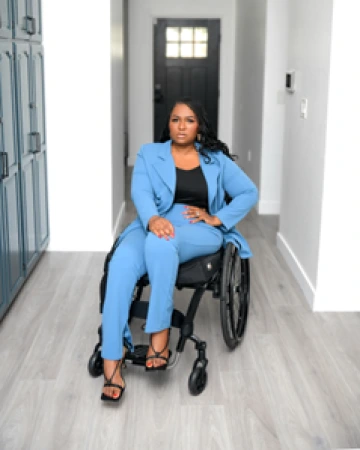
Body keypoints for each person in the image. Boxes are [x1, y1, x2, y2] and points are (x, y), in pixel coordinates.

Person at [101, 98, 258, 403]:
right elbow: (141, 192)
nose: (181, 126)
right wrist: (153, 218)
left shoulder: (215, 160)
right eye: (175, 120)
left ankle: (159, 336)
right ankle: (111, 358)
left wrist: (217, 218)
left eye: (189, 120)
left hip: (197, 229)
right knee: (120, 262)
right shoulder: (150, 153)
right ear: (168, 123)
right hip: (152, 221)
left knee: (160, 244)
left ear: (199, 126)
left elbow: (249, 192)